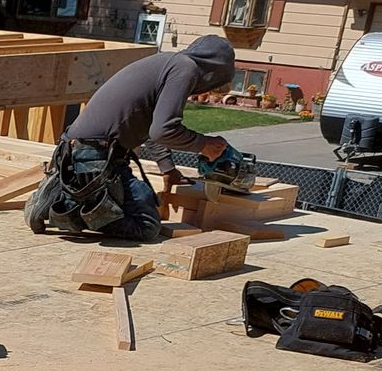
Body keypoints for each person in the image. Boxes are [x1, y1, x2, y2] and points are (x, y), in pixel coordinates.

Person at [24, 35, 239, 241]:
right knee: (146, 225)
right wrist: (205, 145)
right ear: (215, 71)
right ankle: (62, 208)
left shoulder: (169, 63)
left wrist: (168, 169)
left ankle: (64, 196)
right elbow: (163, 130)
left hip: (82, 152)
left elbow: (153, 130)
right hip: (94, 156)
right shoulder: (186, 68)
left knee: (139, 203)